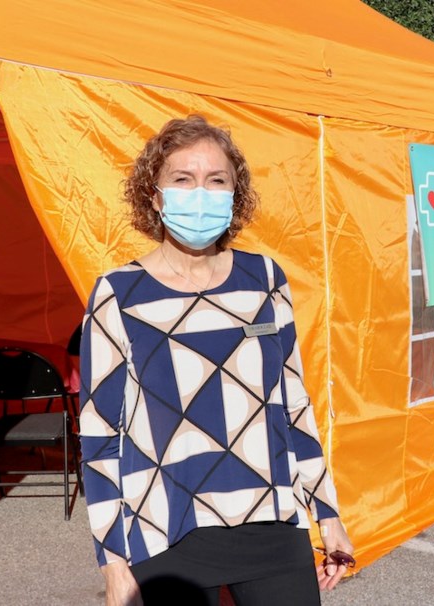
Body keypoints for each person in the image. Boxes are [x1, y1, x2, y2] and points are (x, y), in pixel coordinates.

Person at [79, 115, 354, 606]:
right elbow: (100, 437)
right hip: (165, 528)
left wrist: (327, 513)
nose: (200, 193)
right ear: (155, 196)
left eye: (217, 180)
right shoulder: (117, 294)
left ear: (235, 193)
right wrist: (113, 563)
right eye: (182, 180)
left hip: (271, 521)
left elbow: (293, 405)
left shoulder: (266, 278)